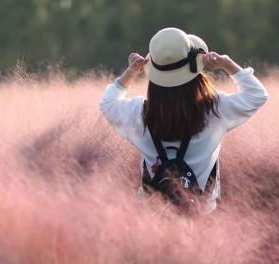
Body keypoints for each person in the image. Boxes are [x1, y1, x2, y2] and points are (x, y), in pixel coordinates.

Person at [99, 27, 268, 213]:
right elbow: (257, 95)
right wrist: (227, 64)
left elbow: (108, 104)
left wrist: (130, 73)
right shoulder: (215, 109)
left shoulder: (138, 112)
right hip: (201, 214)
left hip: (151, 217)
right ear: (195, 71)